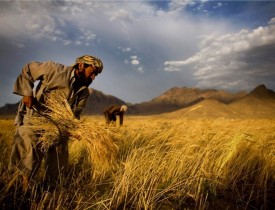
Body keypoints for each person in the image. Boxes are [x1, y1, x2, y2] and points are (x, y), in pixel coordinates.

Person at [9, 55, 103, 191]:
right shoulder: (55, 70)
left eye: (96, 75)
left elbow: (74, 116)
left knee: (59, 159)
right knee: (27, 153)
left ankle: (51, 189)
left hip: (58, 126)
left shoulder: (83, 93)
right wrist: (27, 93)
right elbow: (28, 69)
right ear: (81, 65)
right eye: (92, 72)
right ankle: (22, 189)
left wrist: (75, 129)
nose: (93, 78)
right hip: (35, 118)